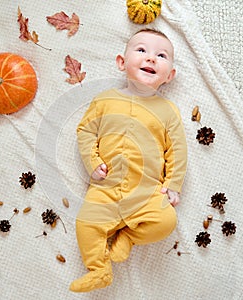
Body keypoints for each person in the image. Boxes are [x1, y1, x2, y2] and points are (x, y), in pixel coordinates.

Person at [70, 28, 187, 293]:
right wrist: (92, 161)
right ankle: (99, 269)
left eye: (161, 55)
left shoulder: (168, 111)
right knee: (85, 223)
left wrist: (173, 183)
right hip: (105, 189)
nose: (151, 59)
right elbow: (86, 131)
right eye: (142, 50)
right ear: (122, 63)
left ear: (169, 76)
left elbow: (177, 150)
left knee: (167, 222)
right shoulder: (104, 100)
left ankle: (128, 238)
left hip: (146, 192)